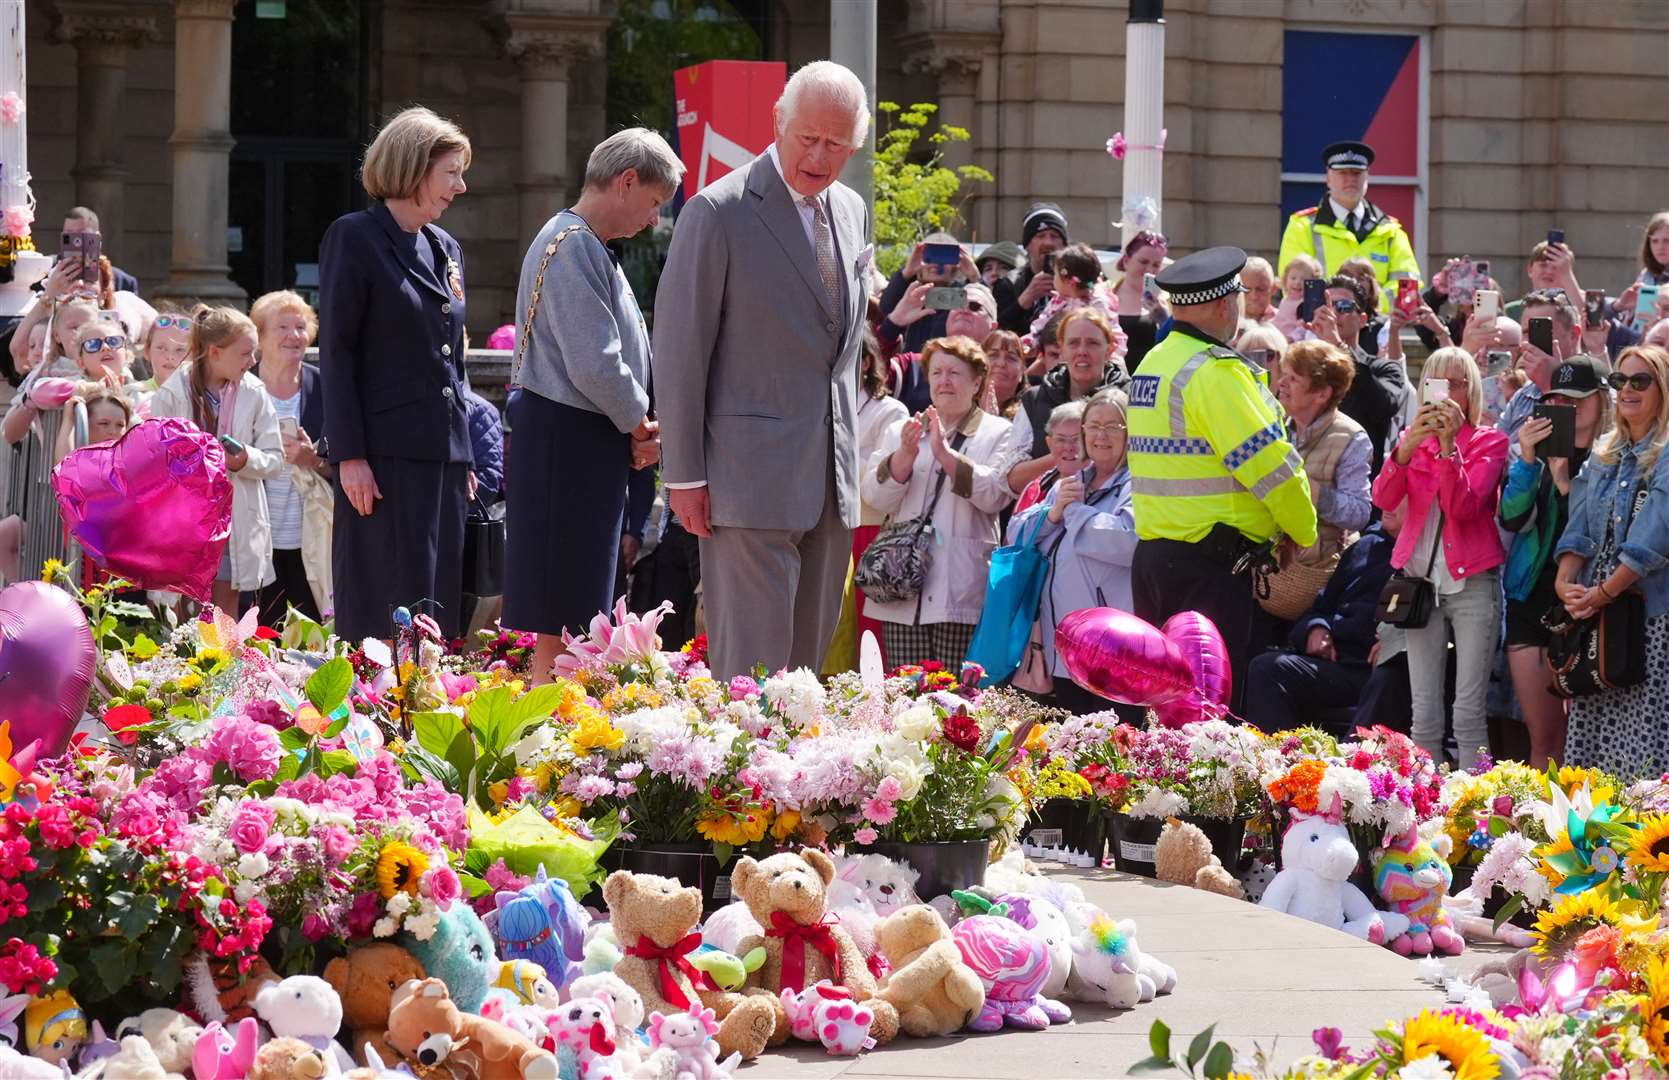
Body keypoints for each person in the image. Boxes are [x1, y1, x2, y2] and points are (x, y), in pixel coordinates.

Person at [653, 61, 871, 679]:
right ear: (777, 122)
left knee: (806, 684)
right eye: (809, 137)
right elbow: (678, 350)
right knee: (750, 683)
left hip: (831, 483)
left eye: (838, 144)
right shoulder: (716, 211)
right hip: (743, 483)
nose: (820, 155)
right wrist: (686, 476)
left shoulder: (852, 210)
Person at [504, 128, 679, 680]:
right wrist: (640, 423)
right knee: (568, 612)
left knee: (578, 610)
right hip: (569, 438)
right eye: (653, 202)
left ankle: (557, 735)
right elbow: (595, 359)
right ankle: (550, 739)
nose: (653, 219)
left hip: (575, 436)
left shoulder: (582, 242)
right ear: (627, 181)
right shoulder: (574, 242)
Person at [1128, 246, 1318, 711]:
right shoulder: (1215, 373)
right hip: (1209, 569)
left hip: (1156, 558)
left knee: (1163, 711)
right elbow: (1272, 468)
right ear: (1222, 304)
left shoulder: (1154, 364)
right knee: (1207, 717)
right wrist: (1301, 529)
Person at [319, 106, 473, 642]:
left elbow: (454, 357)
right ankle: (373, 719)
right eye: (451, 172)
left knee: (437, 605)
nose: (461, 185)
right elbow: (337, 352)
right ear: (415, 168)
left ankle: (429, 711)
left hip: (444, 458)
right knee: (384, 600)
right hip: (383, 458)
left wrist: (465, 451)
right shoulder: (355, 237)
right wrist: (349, 455)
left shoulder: (444, 247)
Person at [1372, 347, 1508, 770]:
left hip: (1472, 585)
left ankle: (1477, 811)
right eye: (1438, 383)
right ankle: (1423, 811)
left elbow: (1464, 508)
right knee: (1424, 713)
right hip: (1420, 585)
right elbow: (1383, 500)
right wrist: (1406, 450)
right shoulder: (1410, 443)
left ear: (1472, 392)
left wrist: (1449, 449)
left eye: (1458, 384)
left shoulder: (1490, 441)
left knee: (1468, 714)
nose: (1448, 394)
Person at [860, 336, 1012, 668]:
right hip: (900, 588)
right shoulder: (903, 429)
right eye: (937, 372)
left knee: (957, 700)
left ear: (976, 383)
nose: (944, 381)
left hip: (958, 591)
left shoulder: (997, 432)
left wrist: (946, 456)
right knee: (905, 696)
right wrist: (904, 455)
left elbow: (995, 496)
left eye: (955, 373)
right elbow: (873, 495)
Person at [1554, 345, 1669, 781]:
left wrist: (1601, 594)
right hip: (1597, 620)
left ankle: (1649, 847)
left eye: (1641, 381)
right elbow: (1578, 529)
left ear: (1663, 388)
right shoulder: (1603, 452)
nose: (1628, 390)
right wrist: (1566, 582)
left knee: (1648, 747)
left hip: (1651, 619)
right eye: (1621, 381)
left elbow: (1652, 542)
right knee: (1593, 746)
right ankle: (1592, 847)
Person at [1500, 352, 1611, 768]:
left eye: (1579, 398)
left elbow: (1598, 535)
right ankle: (1538, 831)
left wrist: (1565, 484)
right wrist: (1528, 462)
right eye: (1559, 399)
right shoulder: (1540, 455)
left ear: (1604, 400)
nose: (1568, 407)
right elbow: (1510, 517)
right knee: (1544, 739)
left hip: (1590, 604)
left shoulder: (1613, 459)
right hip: (1533, 601)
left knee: (1583, 741)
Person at [1007, 387, 1136, 714]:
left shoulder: (1137, 484)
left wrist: (1076, 513)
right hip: (1062, 650)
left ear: (1129, 433)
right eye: (1093, 426)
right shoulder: (1072, 482)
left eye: (1112, 427)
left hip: (1112, 650)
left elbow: (1127, 542)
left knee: (1112, 748)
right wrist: (1051, 516)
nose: (1101, 436)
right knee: (1072, 748)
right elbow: (1016, 534)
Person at [149, 308, 284, 615]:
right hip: (184, 515)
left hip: (232, 515)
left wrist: (242, 459)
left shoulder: (254, 391)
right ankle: (182, 662)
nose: (252, 362)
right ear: (215, 353)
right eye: (245, 354)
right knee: (180, 601)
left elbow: (276, 459)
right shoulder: (172, 393)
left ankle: (228, 663)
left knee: (225, 606)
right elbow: (155, 459)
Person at [1244, 503, 1402, 734]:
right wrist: (1316, 629)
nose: (1391, 502)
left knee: (1389, 677)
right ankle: (1277, 764)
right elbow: (1320, 607)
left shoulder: (1429, 556)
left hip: (1386, 671)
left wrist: (1398, 641)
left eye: (1401, 496)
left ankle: (1352, 767)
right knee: (1267, 667)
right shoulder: (1366, 547)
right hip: (1338, 664)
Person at [250, 290, 329, 625]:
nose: (294, 335)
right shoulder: (241, 386)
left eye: (300, 327)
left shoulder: (325, 387)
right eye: (282, 327)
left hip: (311, 540)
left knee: (313, 636)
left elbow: (349, 462)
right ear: (260, 336)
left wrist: (312, 459)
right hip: (255, 539)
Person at [1271, 339, 1373, 598]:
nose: (1281, 383)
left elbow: (1359, 513)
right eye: (1283, 375)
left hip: (1318, 579)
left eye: (1293, 378)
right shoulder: (1273, 427)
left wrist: (1311, 492)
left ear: (1322, 393)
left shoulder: (1352, 438)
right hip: (1268, 572)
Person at [1002, 308, 1130, 496]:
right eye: (1073, 343)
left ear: (1110, 349)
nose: (1082, 351)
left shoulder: (1131, 400)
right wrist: (1063, 453)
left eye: (1092, 343)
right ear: (1061, 349)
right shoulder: (1034, 400)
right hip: (1047, 520)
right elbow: (1012, 481)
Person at [1277, 140, 1420, 302]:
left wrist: (1368, 307)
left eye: (1356, 173)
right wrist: (1339, 307)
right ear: (1328, 178)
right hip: (1322, 323)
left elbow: (1409, 286)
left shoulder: (1391, 230)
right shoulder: (1302, 226)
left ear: (1367, 177)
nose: (1350, 179)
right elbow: (1293, 285)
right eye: (1343, 173)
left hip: (1380, 325)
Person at [1307, 273, 1408, 476]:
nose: (1334, 314)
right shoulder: (1302, 370)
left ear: (1363, 320)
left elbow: (1382, 406)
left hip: (1361, 491)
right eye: (1328, 306)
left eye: (1344, 307)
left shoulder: (1384, 368)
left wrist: (1338, 346)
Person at [853, 329, 909, 656]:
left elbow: (877, 478)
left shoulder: (890, 411)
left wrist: (833, 447)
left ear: (865, 362)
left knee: (867, 638)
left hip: (869, 531)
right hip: (820, 529)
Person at [883, 281, 998, 414]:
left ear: (993, 327)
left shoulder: (1001, 374)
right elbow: (865, 372)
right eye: (957, 303)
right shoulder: (913, 366)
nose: (963, 309)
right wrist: (893, 324)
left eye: (975, 306)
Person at [1497, 288, 1590, 448]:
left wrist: (1551, 386)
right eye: (1526, 332)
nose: (1531, 341)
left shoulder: (1595, 389)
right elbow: (1496, 453)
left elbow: (1569, 462)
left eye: (1541, 330)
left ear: (1574, 334)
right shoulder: (1523, 395)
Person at [877, 233, 983, 355]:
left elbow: (985, 313)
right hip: (913, 365)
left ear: (956, 263)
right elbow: (886, 308)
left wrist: (975, 277)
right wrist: (906, 273)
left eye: (944, 256)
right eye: (931, 256)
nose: (936, 264)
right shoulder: (910, 292)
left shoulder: (965, 294)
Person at [1025, 243, 1121, 354]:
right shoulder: (1058, 301)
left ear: (1068, 280)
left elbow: (1113, 335)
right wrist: (1030, 342)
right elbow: (1042, 324)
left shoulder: (1098, 304)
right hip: (1058, 356)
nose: (1053, 279)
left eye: (1055, 274)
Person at [994, 203, 1069, 334]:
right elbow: (997, 332)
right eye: (1040, 236)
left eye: (1054, 236)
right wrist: (1025, 299)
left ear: (1064, 244)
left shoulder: (1078, 278)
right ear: (1027, 244)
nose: (1048, 243)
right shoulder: (1009, 284)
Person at [1012, 401, 1085, 515]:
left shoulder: (1104, 486)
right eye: (1061, 439)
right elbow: (1015, 530)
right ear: (1049, 443)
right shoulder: (1036, 488)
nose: (1068, 447)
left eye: (1076, 439)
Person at [1112, 231, 1169, 372]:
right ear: (1126, 261)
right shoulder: (1106, 296)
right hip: (1112, 384)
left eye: (1156, 265)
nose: (1149, 269)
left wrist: (1165, 320)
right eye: (1143, 262)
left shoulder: (1168, 301)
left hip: (1151, 382)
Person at [60, 207, 138, 294]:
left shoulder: (124, 282)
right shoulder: (48, 275)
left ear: (98, 238)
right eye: (69, 235)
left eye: (81, 235)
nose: (76, 242)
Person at [134, 308, 193, 402]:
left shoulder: (200, 398)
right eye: (161, 348)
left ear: (193, 355)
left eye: (180, 350)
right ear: (147, 351)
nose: (170, 356)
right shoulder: (135, 394)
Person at [1271, 252, 1323, 342]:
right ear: (1285, 279)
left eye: (1303, 279)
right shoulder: (1285, 300)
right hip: (1277, 338)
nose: (1297, 282)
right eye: (1293, 278)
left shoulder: (1305, 304)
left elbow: (1303, 328)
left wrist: (1291, 338)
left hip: (1293, 342)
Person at [1240, 255, 1276, 326]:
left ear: (1273, 289)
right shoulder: (1229, 325)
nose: (1254, 297)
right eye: (1246, 289)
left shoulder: (1284, 321)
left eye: (1261, 289)